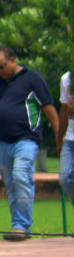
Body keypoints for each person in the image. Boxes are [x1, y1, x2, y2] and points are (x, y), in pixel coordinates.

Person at [0, 46, 58, 241]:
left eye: (2, 67)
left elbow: (48, 105)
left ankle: (22, 226)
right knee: (10, 183)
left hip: (26, 139)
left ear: (12, 60)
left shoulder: (32, 78)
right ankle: (17, 227)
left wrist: (59, 133)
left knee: (21, 175)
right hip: (3, 142)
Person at [59, 70, 72, 201]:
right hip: (70, 138)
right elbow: (63, 110)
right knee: (64, 178)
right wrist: (59, 137)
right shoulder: (66, 78)